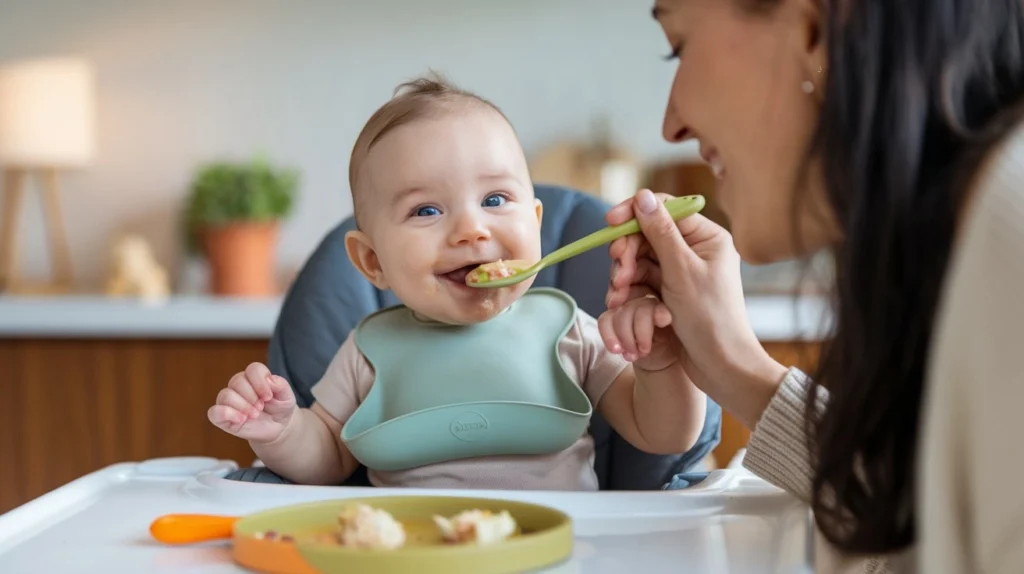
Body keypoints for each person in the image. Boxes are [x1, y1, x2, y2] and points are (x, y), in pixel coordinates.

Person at [598, 0, 1024, 572]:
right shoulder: (962, 247)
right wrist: (734, 365)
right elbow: (916, 514)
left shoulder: (1009, 228)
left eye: (680, 45)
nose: (671, 123)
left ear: (815, 28)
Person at [206, 74, 707, 491]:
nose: (472, 229)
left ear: (534, 223)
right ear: (372, 260)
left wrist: (663, 361)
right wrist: (282, 431)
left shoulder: (570, 331)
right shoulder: (368, 350)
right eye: (427, 210)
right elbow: (328, 458)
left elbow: (663, 434)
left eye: (494, 200)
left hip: (563, 549)